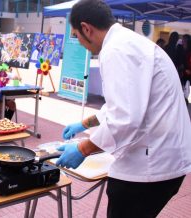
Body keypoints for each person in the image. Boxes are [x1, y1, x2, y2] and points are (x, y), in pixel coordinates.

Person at [56, 1, 191, 218]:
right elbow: (118, 106)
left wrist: (82, 149)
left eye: (76, 35)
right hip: (166, 157)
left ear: (86, 28)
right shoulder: (128, 42)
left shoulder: (116, 50)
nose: (79, 42)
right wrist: (83, 124)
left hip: (151, 165)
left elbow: (125, 118)